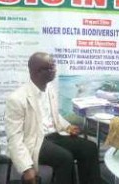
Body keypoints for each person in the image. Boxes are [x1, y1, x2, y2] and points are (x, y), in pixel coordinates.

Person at [5, 52, 101, 184]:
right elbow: (14, 138)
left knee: (89, 148)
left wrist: (67, 126)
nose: (55, 70)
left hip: (54, 135)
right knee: (65, 158)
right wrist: (26, 168)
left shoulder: (49, 88)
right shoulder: (17, 99)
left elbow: (54, 115)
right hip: (35, 141)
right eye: (51, 68)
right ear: (38, 72)